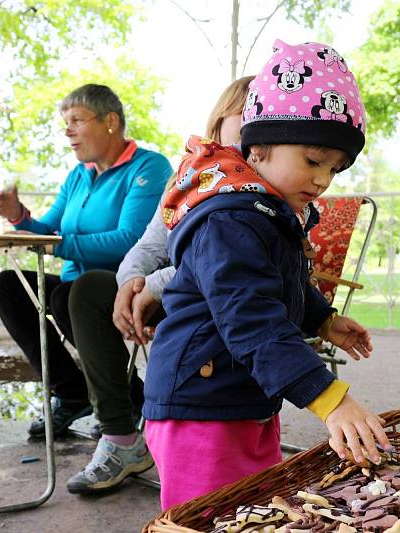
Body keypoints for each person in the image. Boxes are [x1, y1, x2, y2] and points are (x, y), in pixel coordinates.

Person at [143, 39, 391, 510]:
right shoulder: (230, 220)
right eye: (313, 161)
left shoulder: (268, 214)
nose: (323, 181)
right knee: (209, 517)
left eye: (335, 169)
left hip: (245, 398)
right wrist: (329, 398)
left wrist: (322, 319)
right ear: (257, 149)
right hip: (201, 406)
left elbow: (282, 284)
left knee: (257, 508)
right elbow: (251, 317)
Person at [64, 76, 255, 494]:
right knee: (90, 289)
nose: (254, 122)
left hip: (233, 301)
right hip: (183, 292)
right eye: (246, 112)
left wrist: (155, 287)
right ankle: (120, 436)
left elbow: (218, 264)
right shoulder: (192, 173)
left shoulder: (264, 181)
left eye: (265, 115)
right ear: (220, 119)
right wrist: (130, 284)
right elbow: (152, 240)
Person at [0, 84, 173, 442]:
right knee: (5, 286)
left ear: (110, 122)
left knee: (66, 295)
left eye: (76, 120)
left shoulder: (148, 166)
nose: (68, 130)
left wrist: (58, 246)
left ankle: (126, 399)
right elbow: (49, 227)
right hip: (74, 285)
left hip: (120, 284)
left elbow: (131, 238)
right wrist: (18, 216)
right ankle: (71, 393)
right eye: (65, 122)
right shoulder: (78, 175)